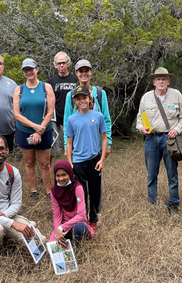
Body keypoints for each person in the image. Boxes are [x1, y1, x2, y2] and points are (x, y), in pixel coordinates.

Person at [0, 135, 46, 261]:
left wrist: (5, 214)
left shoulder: (13, 172)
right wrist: (14, 224)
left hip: (7, 215)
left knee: (40, 240)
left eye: (2, 148)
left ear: (7, 150)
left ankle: (7, 235)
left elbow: (16, 203)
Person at [136, 67, 182, 212]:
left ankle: (173, 203)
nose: (161, 81)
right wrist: (141, 128)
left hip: (170, 140)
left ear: (168, 81)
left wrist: (176, 130)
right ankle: (152, 202)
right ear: (153, 82)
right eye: (158, 79)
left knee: (172, 172)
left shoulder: (176, 95)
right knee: (151, 173)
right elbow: (140, 118)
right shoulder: (146, 97)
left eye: (164, 79)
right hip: (151, 139)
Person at [65, 86, 108, 230]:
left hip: (94, 159)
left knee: (95, 190)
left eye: (84, 98)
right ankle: (82, 217)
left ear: (90, 99)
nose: (82, 101)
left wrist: (101, 160)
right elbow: (69, 141)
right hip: (78, 161)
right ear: (75, 101)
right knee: (80, 191)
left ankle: (94, 219)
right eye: (78, 99)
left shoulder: (98, 116)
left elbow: (104, 138)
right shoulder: (71, 119)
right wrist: (70, 162)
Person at [13, 58, 55, 201]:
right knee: (29, 162)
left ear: (37, 69)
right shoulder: (19, 89)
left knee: (45, 164)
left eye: (31, 69)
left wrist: (39, 130)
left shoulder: (46, 87)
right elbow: (17, 114)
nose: (29, 72)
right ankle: (33, 191)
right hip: (24, 131)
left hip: (44, 130)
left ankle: (49, 192)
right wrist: (34, 127)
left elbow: (50, 112)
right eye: (26, 70)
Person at [63, 59, 112, 158]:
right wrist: (66, 145)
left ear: (91, 72)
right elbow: (66, 122)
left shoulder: (100, 93)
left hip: (95, 144)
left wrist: (108, 143)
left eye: (87, 71)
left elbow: (106, 119)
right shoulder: (71, 95)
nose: (84, 74)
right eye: (81, 71)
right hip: (78, 146)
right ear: (76, 73)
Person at [50, 160, 94, 249]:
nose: (61, 179)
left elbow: (81, 216)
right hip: (64, 226)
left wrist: (61, 228)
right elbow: (57, 215)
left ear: (70, 174)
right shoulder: (54, 191)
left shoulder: (77, 188)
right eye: (58, 176)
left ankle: (79, 250)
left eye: (64, 175)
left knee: (80, 228)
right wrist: (58, 232)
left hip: (77, 223)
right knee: (53, 245)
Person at [47, 52, 78, 163]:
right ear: (55, 65)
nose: (61, 66)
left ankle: (74, 171)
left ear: (68, 64)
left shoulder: (75, 80)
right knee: (53, 149)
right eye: (59, 63)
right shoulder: (51, 82)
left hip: (73, 119)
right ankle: (45, 171)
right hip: (56, 121)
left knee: (73, 148)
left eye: (64, 63)